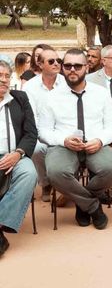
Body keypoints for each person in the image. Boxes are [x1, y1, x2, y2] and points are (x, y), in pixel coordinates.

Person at [39, 49, 112, 230]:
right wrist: (63, 140)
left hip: (95, 144)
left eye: (77, 65)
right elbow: (43, 131)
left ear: (86, 67)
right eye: (67, 65)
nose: (72, 69)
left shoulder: (101, 93)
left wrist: (100, 140)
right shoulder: (52, 97)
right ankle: (92, 206)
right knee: (56, 172)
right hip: (64, 146)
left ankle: (82, 204)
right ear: (62, 68)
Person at [0, 60, 38, 257]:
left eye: (7, 76)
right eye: (0, 76)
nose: (4, 80)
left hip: (15, 154)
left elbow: (31, 133)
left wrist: (18, 153)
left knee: (29, 173)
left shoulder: (20, 98)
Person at [23, 46, 66, 202]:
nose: (56, 64)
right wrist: (41, 135)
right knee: (37, 149)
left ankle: (64, 187)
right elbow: (31, 116)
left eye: (59, 61)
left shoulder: (67, 83)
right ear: (40, 65)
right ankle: (46, 183)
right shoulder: (30, 86)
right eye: (51, 61)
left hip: (64, 130)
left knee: (68, 146)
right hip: (39, 131)